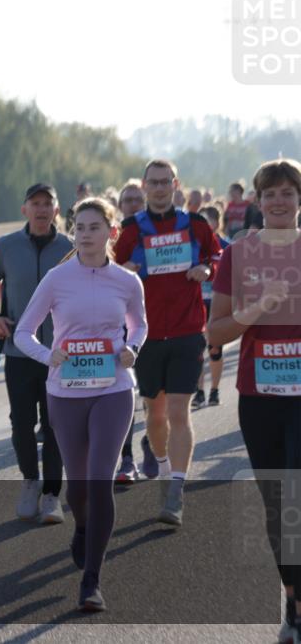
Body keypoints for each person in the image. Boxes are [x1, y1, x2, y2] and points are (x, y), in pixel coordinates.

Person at [15, 197, 147, 612]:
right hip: (66, 393)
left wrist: (133, 348)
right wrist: (46, 355)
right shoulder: (57, 279)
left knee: (100, 480)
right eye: (80, 227)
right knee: (78, 488)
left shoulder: (128, 282)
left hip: (112, 389)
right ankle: (83, 528)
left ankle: (92, 579)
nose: (86, 234)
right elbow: (23, 332)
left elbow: (139, 323)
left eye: (94, 226)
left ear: (111, 231)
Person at [208, 157, 301, 644]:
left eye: (288, 193)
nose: (279, 202)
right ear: (258, 203)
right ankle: (292, 597)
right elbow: (216, 332)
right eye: (271, 194)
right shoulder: (237, 256)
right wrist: (257, 308)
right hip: (259, 393)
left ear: (299, 199)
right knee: (279, 503)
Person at [114, 159, 223, 526]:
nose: (160, 188)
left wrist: (207, 269)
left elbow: (219, 256)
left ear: (176, 184)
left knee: (180, 412)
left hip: (187, 331)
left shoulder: (195, 225)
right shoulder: (130, 231)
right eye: (153, 183)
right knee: (155, 415)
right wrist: (123, 272)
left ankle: (176, 489)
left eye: (165, 182)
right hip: (145, 336)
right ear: (144, 187)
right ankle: (162, 466)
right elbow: (105, 269)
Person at [0, 183, 73, 524]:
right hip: (19, 352)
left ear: (57, 210)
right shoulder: (6, 246)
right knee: (21, 424)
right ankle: (30, 481)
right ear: (25, 209)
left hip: (59, 355)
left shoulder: (70, 248)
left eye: (48, 203)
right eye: (36, 203)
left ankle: (51, 495)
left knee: (55, 425)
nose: (42, 209)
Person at [113, 182, 157, 483]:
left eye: (136, 200)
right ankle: (127, 459)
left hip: (157, 326)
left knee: (154, 398)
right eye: (126, 200)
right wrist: (121, 269)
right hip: (120, 329)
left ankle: (152, 440)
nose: (132, 204)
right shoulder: (112, 237)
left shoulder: (158, 233)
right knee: (125, 391)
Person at [193, 206, 231, 409]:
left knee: (214, 349)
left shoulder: (225, 246)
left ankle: (214, 391)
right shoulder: (192, 247)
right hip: (197, 304)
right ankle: (199, 392)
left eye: (207, 221)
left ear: (216, 223)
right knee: (198, 349)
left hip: (217, 303)